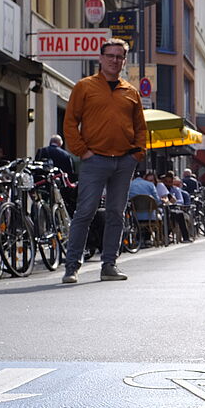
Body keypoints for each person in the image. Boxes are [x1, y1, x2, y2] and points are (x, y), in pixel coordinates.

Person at [60, 38, 147, 284]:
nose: (115, 60)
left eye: (120, 56)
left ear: (124, 61)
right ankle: (72, 266)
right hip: (94, 159)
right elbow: (69, 122)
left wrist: (137, 153)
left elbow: (141, 127)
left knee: (116, 213)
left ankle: (109, 264)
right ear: (100, 58)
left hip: (124, 161)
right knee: (84, 212)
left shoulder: (131, 91)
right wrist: (82, 151)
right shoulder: (84, 87)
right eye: (110, 55)